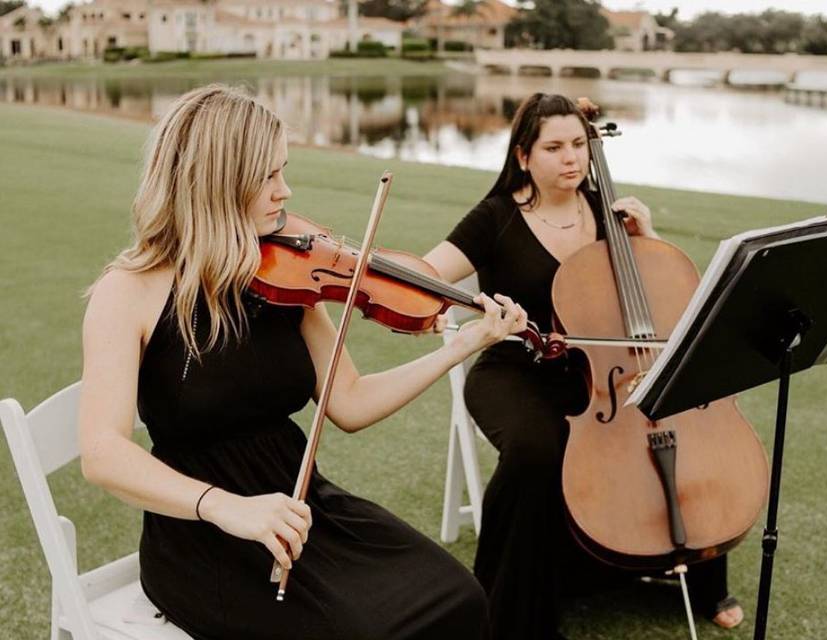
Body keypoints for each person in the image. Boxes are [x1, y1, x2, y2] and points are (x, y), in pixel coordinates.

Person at [77, 85, 529, 640]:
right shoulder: (128, 292)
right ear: (217, 180)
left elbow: (351, 401)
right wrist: (225, 508)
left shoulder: (281, 276)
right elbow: (101, 453)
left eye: (282, 171)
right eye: (267, 177)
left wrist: (465, 343)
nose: (284, 192)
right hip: (203, 535)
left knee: (457, 598)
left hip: (305, 507)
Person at [423, 93, 745, 639]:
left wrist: (648, 240)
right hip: (515, 370)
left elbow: (665, 299)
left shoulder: (608, 211)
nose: (571, 158)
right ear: (524, 155)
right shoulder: (496, 217)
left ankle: (693, 574)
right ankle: (509, 610)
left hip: (601, 375)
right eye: (554, 147)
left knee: (680, 420)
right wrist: (427, 304)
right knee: (537, 450)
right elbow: (429, 274)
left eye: (578, 144)